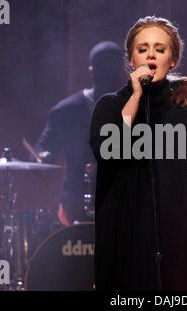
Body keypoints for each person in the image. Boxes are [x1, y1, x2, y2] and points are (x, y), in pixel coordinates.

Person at [89, 16, 187, 290]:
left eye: (160, 49)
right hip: (130, 248)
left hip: (185, 248)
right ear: (131, 60)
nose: (151, 55)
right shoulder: (110, 106)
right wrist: (135, 97)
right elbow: (110, 154)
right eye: (143, 49)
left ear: (173, 60)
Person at [33, 41, 126, 226]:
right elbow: (41, 149)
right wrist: (41, 157)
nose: (108, 76)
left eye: (111, 70)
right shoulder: (66, 111)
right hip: (75, 206)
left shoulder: (136, 108)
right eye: (103, 70)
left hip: (123, 202)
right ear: (92, 71)